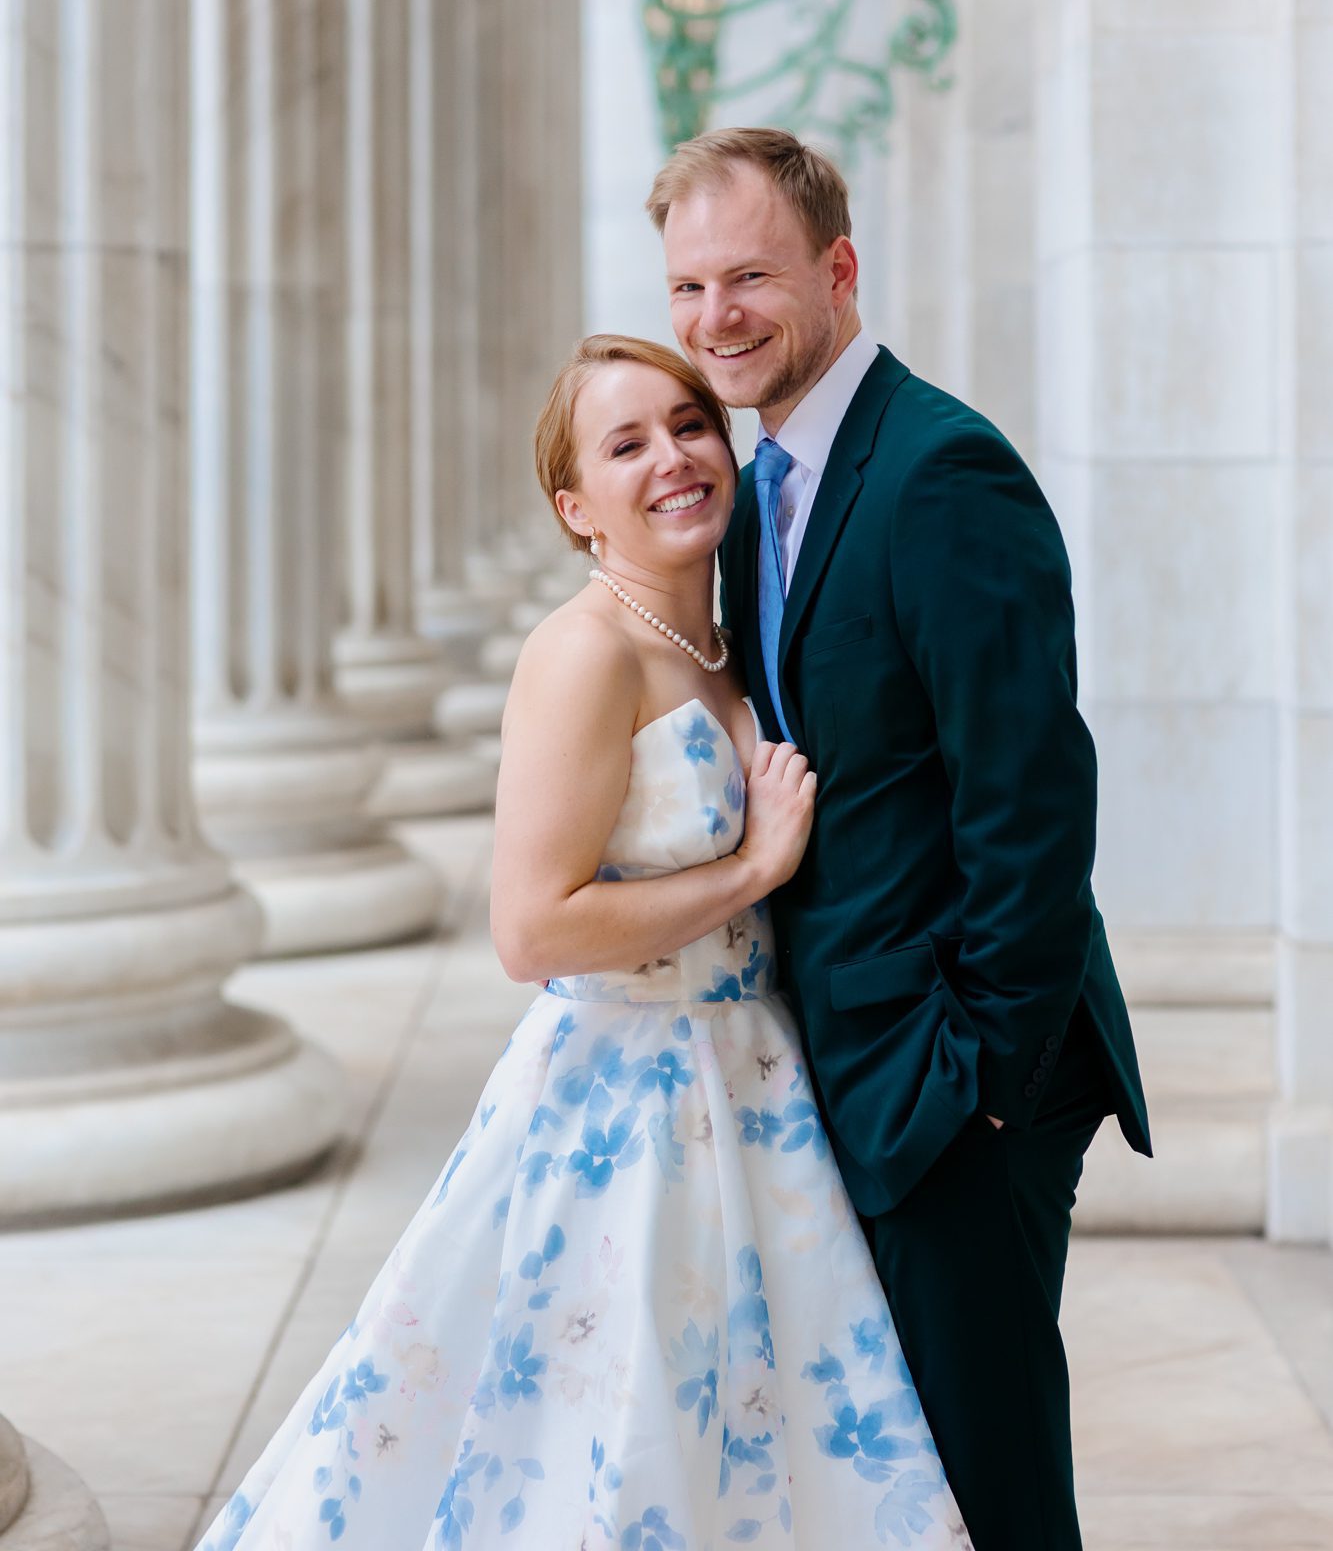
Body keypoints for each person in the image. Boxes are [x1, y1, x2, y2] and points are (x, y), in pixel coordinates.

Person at [194, 333, 973, 1551]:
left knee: (763, 1427)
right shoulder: (581, 653)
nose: (673, 455)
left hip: (754, 1081)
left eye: (688, 422)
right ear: (576, 506)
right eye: (626, 443)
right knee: (608, 1438)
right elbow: (531, 926)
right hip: (624, 1093)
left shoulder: (732, 638)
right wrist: (751, 867)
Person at [650, 125, 1152, 1551]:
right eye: (687, 289)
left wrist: (983, 1071)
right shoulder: (762, 490)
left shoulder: (942, 472)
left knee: (987, 1481)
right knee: (902, 1480)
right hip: (858, 1065)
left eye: (748, 277)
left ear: (839, 270)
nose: (713, 320)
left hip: (958, 1077)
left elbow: (1032, 793)